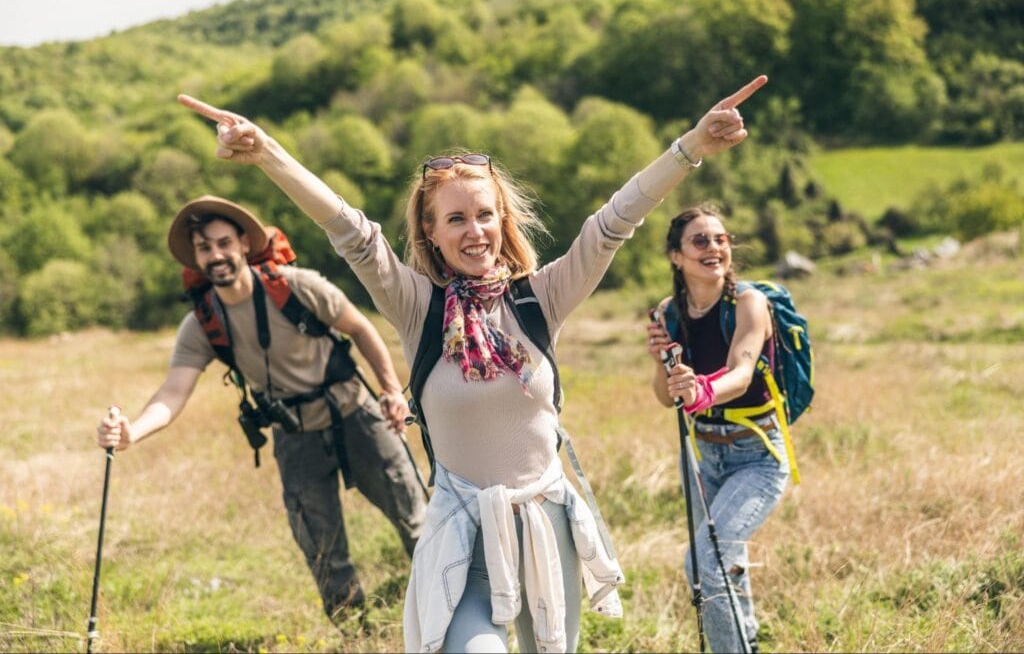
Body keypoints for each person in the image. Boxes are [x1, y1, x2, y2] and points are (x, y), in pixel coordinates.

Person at [177, 73, 766, 653]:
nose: (474, 231)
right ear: (431, 233)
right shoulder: (417, 308)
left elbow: (613, 222)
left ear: (502, 221)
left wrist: (691, 148)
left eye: (484, 215)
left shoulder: (542, 298)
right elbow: (348, 230)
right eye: (455, 219)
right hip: (464, 526)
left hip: (546, 524)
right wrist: (268, 155)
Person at [96, 196, 428, 622]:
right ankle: (357, 633)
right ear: (196, 259)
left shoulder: (294, 285)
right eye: (204, 248)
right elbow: (173, 391)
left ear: (242, 245)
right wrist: (132, 433)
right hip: (295, 433)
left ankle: (444, 605)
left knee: (414, 516)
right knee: (320, 546)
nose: (215, 255)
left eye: (222, 243)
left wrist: (390, 391)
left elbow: (360, 328)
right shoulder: (202, 323)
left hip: (355, 413)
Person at [645, 205, 791, 653]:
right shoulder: (669, 313)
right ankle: (747, 639)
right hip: (704, 456)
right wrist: (661, 365)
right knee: (725, 564)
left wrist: (701, 392)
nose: (715, 248)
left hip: (757, 456)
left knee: (705, 564)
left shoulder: (748, 302)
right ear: (676, 255)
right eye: (701, 241)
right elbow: (664, 395)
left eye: (721, 239)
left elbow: (741, 373)